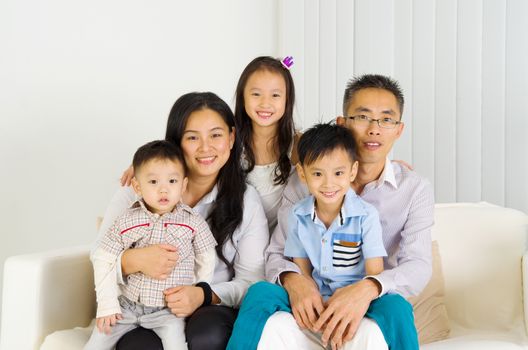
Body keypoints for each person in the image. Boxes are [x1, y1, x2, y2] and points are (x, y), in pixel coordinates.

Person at [236, 74, 434, 350]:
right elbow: (278, 252)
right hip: (311, 295)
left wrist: (367, 289)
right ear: (342, 123)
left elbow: (418, 265)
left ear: (398, 130)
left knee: (397, 309)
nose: (374, 129)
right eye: (363, 117)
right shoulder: (303, 180)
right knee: (260, 295)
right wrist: (296, 281)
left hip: (372, 299)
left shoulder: (414, 189)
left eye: (386, 119)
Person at [96, 92, 269, 350]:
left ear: (232, 138)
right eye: (192, 137)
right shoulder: (138, 187)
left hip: (210, 310)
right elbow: (99, 252)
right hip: (141, 306)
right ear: (176, 141)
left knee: (207, 334)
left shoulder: (246, 200)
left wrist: (203, 293)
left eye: (216, 135)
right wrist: (133, 260)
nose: (205, 147)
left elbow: (252, 282)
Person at [85, 140, 217, 350]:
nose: (164, 190)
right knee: (95, 344)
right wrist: (107, 304)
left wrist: (196, 289)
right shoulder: (128, 220)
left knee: (177, 345)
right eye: (154, 182)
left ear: (183, 185)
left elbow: (207, 256)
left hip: (167, 312)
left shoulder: (192, 222)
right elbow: (103, 256)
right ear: (138, 186)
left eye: (172, 181)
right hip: (126, 307)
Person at [234, 56, 297, 232]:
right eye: (256, 94)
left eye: (275, 95)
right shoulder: (230, 143)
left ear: (287, 99)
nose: (265, 103)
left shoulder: (298, 145)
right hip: (239, 241)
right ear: (242, 96)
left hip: (284, 245)